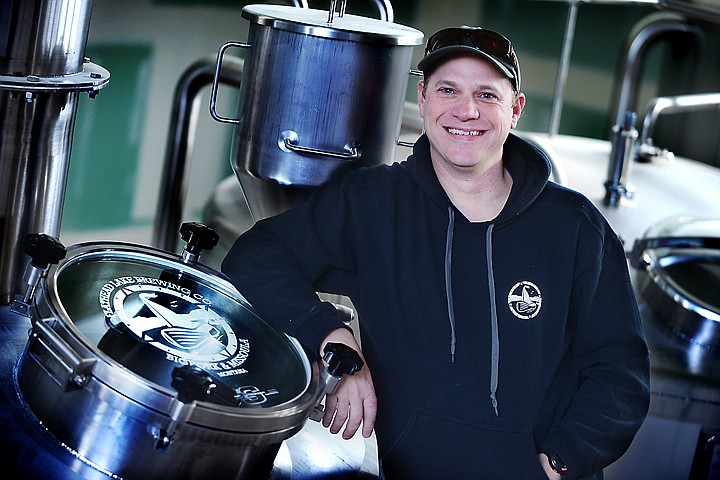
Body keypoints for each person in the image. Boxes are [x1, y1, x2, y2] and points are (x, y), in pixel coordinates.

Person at [222, 25, 650, 480]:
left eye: (487, 95)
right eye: (449, 90)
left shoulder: (575, 227)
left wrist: (562, 461)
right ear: (423, 98)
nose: (466, 111)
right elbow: (257, 255)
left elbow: (619, 372)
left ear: (515, 110)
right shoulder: (374, 203)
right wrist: (332, 340)